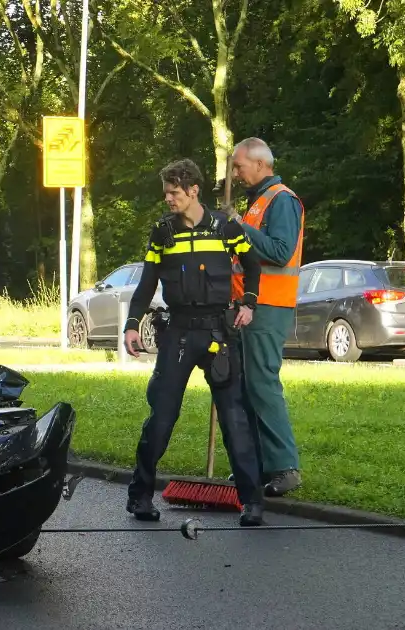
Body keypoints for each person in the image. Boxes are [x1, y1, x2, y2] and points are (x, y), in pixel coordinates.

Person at [122, 158, 266, 527]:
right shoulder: (162, 232)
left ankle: (252, 502)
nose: (168, 199)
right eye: (166, 193)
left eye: (173, 193)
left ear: (193, 191)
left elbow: (252, 265)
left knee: (235, 419)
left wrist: (248, 303)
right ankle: (140, 496)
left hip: (220, 331)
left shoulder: (225, 227)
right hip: (179, 333)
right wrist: (132, 325)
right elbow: (147, 283)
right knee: (163, 415)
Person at [227, 137, 305, 497]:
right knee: (246, 387)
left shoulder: (282, 200)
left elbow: (279, 250)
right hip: (250, 306)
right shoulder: (258, 202)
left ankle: (284, 467)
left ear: (260, 164)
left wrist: (238, 226)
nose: (236, 173)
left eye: (239, 166)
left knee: (262, 384)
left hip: (269, 307)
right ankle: (256, 467)